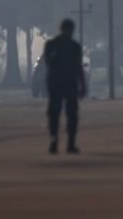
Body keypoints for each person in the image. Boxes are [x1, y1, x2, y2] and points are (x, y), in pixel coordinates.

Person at [43, 18, 86, 154]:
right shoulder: (74, 46)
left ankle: (55, 141)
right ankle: (69, 143)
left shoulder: (52, 45)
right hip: (68, 83)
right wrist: (82, 84)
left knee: (55, 114)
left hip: (56, 83)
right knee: (70, 114)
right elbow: (78, 67)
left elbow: (49, 63)